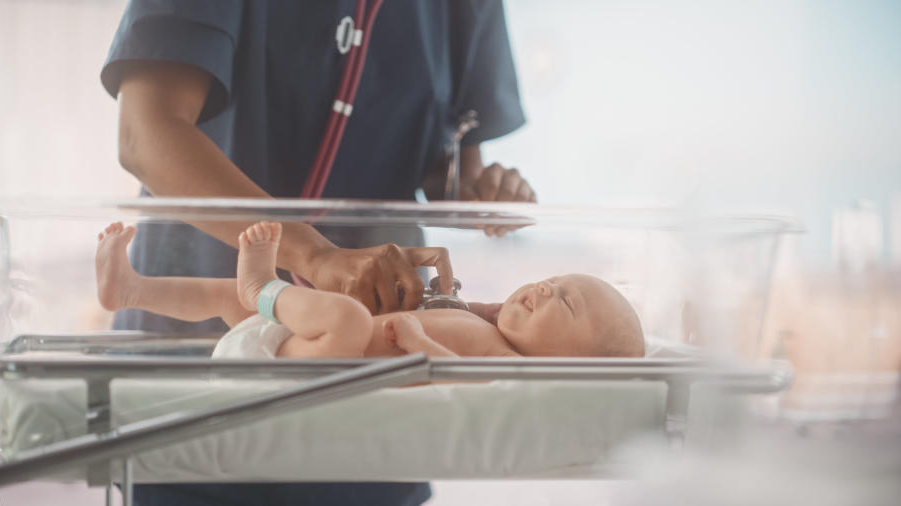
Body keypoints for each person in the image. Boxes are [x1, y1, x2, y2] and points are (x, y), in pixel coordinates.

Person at [101, 1, 534, 504]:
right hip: (199, 365)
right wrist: (314, 255)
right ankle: (145, 289)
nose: (546, 291)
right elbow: (145, 133)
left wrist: (477, 190)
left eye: (570, 302)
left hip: (374, 397)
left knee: (271, 316)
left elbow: (450, 154)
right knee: (246, 314)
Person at [97, 222, 645, 360]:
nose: (545, 287)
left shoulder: (511, 365)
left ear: (565, 361)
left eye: (565, 302)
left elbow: (451, 371)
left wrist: (420, 341)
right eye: (556, 280)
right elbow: (460, 313)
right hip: (307, 342)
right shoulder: (492, 325)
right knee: (222, 299)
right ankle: (132, 289)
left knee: (350, 321)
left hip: (328, 360)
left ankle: (261, 286)